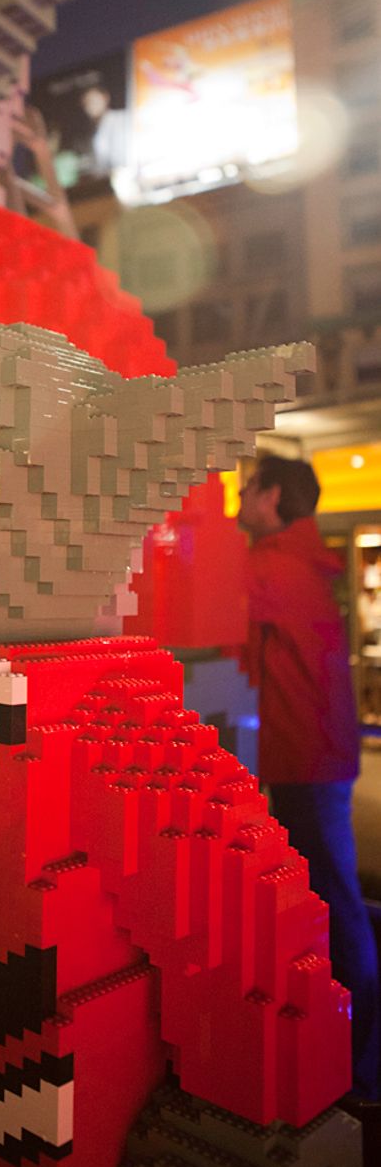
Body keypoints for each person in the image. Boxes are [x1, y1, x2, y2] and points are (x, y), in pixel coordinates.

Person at [239, 454, 380, 1101]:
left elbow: (211, 612)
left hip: (306, 761)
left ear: (271, 498)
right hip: (321, 758)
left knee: (336, 904)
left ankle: (364, 1064)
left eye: (246, 490)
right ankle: (347, 1050)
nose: (240, 501)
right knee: (329, 898)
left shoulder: (271, 565)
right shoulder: (308, 562)